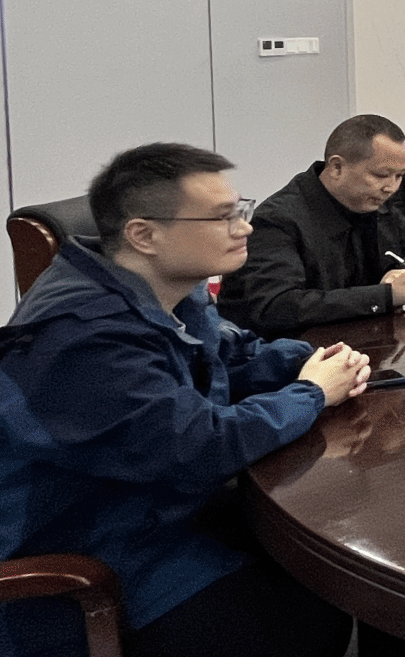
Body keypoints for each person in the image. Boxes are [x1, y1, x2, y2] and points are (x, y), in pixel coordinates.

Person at [0, 143, 370, 657]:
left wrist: (311, 360)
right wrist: (311, 393)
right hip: (94, 553)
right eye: (223, 217)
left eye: (240, 209)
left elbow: (226, 357)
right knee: (313, 611)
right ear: (144, 235)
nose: (245, 228)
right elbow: (200, 446)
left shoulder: (165, 283)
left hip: (164, 511)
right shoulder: (81, 337)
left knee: (338, 557)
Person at [219, 115, 405, 336]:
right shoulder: (277, 221)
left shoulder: (374, 204)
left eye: (399, 176)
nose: (391, 188)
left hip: (358, 339)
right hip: (289, 350)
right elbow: (278, 307)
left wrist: (402, 273)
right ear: (337, 167)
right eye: (381, 175)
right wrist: (384, 295)